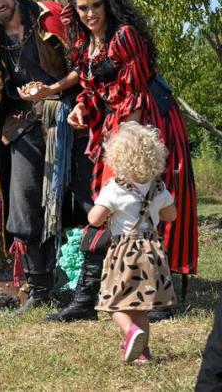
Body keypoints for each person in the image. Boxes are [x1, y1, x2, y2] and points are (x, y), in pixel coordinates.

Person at [0, 0, 89, 310]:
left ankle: (94, 284)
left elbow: (85, 66)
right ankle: (40, 288)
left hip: (70, 117)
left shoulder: (48, 17)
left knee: (89, 199)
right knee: (23, 201)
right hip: (23, 125)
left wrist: (52, 89)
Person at [64, 0, 198, 300]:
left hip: (148, 123)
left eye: (96, 6)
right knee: (109, 201)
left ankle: (158, 295)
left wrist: (128, 144)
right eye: (82, 8)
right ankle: (89, 294)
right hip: (117, 123)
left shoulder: (125, 37)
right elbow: (92, 89)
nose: (90, 14)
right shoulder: (84, 44)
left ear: (107, 4)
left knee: (148, 197)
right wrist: (81, 107)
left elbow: (135, 91)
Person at [89, 121, 177, 363]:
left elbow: (94, 219)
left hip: (125, 251)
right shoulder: (159, 187)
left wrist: (103, 209)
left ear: (117, 157)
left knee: (112, 302)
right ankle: (142, 354)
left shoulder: (115, 189)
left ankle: (130, 332)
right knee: (141, 307)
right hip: (151, 251)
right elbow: (172, 215)